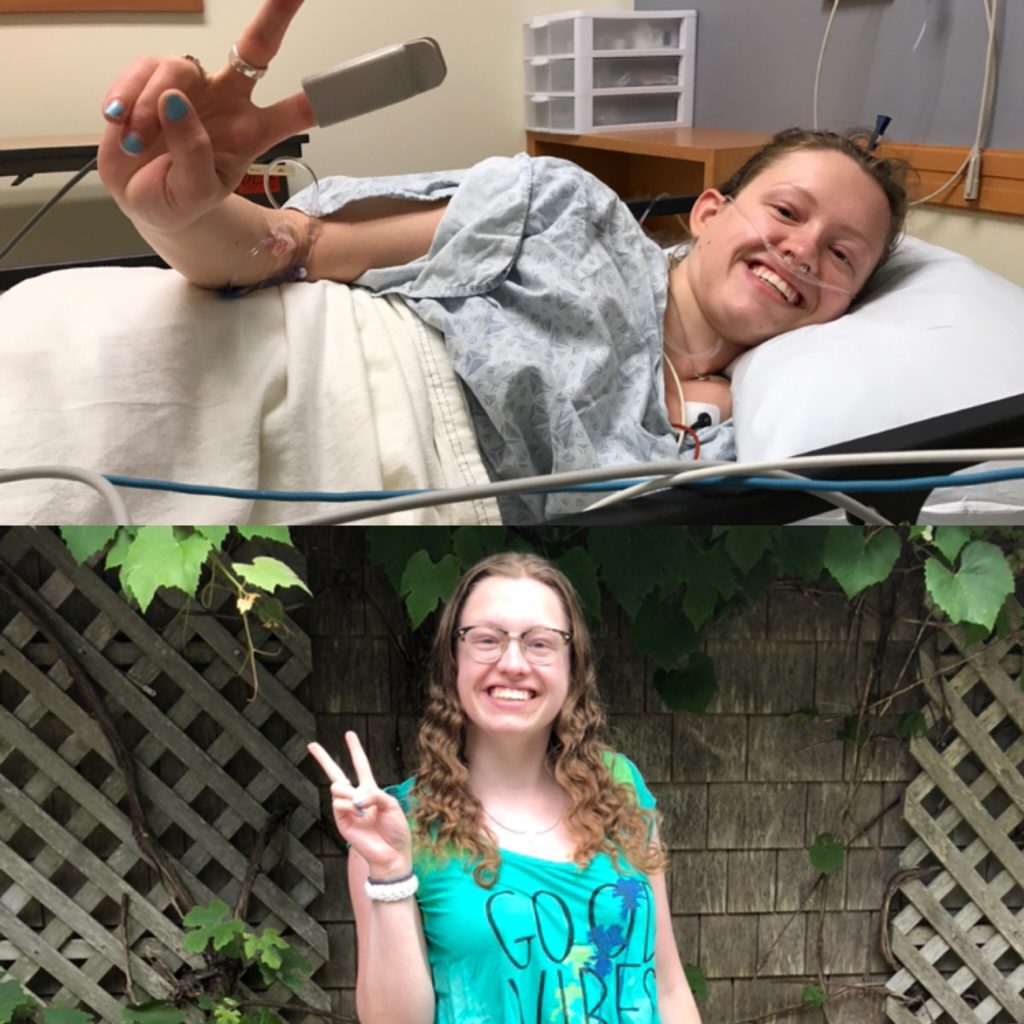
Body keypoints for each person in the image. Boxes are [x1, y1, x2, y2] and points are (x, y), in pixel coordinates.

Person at [93, 0, 908, 522]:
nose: (803, 250)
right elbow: (297, 252)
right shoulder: (565, 211)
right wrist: (188, 217)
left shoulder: (758, 431)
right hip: (315, 383)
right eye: (786, 211)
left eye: (842, 253)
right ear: (708, 211)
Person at [307, 551, 703, 1024]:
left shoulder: (620, 786)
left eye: (540, 643)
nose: (513, 663)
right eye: (487, 639)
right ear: (452, 660)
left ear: (572, 667)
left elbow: (669, 986)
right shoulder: (397, 826)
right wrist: (391, 871)